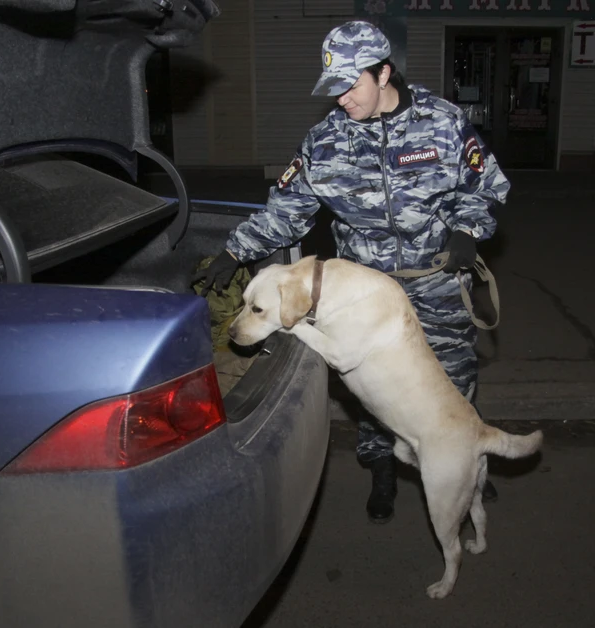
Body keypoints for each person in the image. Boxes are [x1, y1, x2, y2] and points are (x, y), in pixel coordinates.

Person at [193, 20, 510, 524]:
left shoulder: (444, 122)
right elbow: (286, 211)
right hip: (364, 296)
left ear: (384, 73)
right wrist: (235, 251)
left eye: (350, 84)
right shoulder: (324, 142)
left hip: (436, 279)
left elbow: (487, 187)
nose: (341, 98)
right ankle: (381, 468)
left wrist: (467, 230)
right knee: (373, 386)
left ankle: (470, 465)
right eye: (333, 87)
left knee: (453, 379)